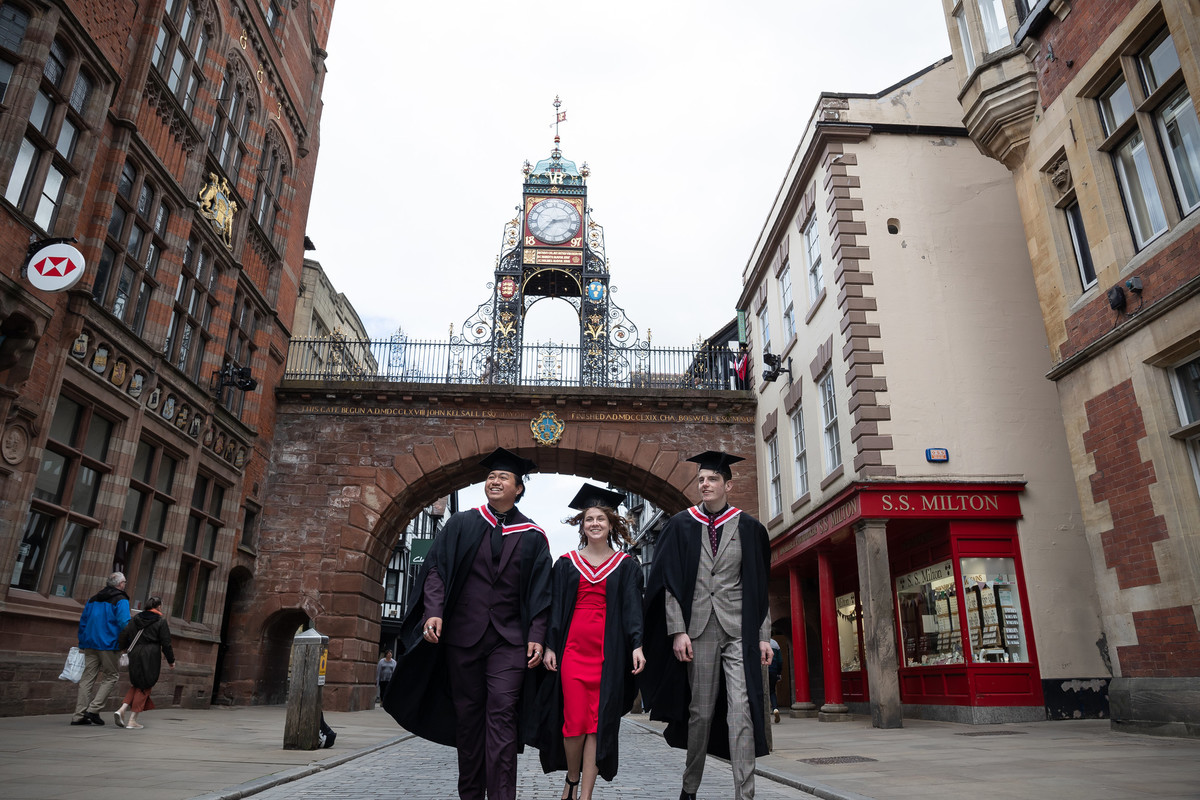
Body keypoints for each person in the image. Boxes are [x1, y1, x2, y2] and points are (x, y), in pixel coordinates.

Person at [383, 447, 553, 800]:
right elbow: (436, 571)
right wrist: (433, 610)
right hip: (463, 638)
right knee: (469, 721)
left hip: (510, 642)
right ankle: (471, 795)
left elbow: (541, 591)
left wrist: (537, 634)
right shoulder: (462, 525)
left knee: (503, 716)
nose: (494, 481)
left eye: (503, 477)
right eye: (491, 476)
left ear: (518, 488)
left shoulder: (534, 536)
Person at [643, 451, 772, 800]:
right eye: (701, 479)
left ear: (727, 485)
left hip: (738, 632)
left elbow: (758, 587)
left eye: (712, 479)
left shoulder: (749, 527)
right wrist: (677, 630)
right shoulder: (681, 525)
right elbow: (669, 584)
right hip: (697, 630)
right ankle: (690, 787)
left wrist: (763, 637)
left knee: (741, 712)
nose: (705, 484)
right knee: (700, 713)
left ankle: (745, 794)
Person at [533, 484, 646, 800]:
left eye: (601, 519)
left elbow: (633, 610)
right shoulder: (566, 563)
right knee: (574, 723)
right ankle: (571, 777)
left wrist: (637, 644)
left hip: (608, 654)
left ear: (611, 524)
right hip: (573, 651)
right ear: (581, 525)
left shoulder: (625, 566)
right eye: (589, 519)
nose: (594, 523)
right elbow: (554, 608)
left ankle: (585, 795)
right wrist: (551, 645)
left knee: (598, 724)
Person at [71, 572, 131, 726]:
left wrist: (82, 643)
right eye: (124, 581)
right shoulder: (121, 599)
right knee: (111, 676)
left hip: (90, 643)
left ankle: (78, 715)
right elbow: (124, 622)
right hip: (109, 644)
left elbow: (83, 621)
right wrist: (128, 643)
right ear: (119, 584)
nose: (125, 584)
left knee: (87, 678)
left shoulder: (93, 599)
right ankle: (93, 709)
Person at [113, 596, 175, 729]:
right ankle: (132, 720)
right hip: (151, 654)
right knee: (145, 685)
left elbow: (124, 633)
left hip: (135, 652)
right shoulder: (161, 621)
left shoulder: (136, 618)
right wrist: (171, 660)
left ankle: (122, 709)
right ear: (158, 607)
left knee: (136, 683)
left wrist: (122, 648)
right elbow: (166, 643)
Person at [768, 638, 782, 723]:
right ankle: (775, 709)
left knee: (761, 691)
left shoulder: (756, 640)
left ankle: (763, 712)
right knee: (772, 691)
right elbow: (780, 661)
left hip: (761, 669)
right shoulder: (774, 643)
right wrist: (779, 673)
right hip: (773, 670)